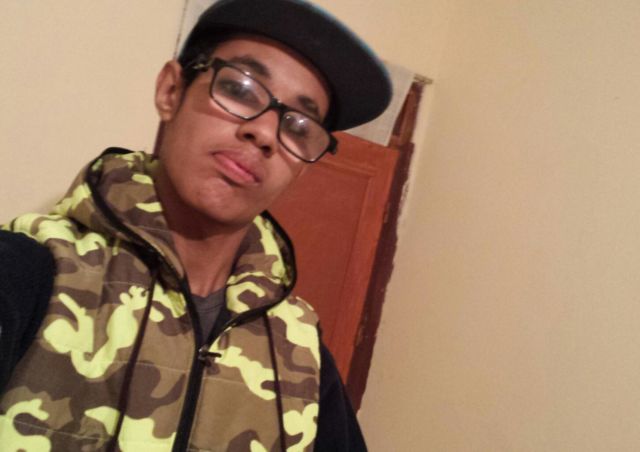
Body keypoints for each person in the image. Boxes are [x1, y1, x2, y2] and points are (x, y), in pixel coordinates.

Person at [0, 0, 391, 450]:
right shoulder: (32, 271)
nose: (266, 133)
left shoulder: (302, 352)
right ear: (171, 91)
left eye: (299, 127)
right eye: (240, 89)